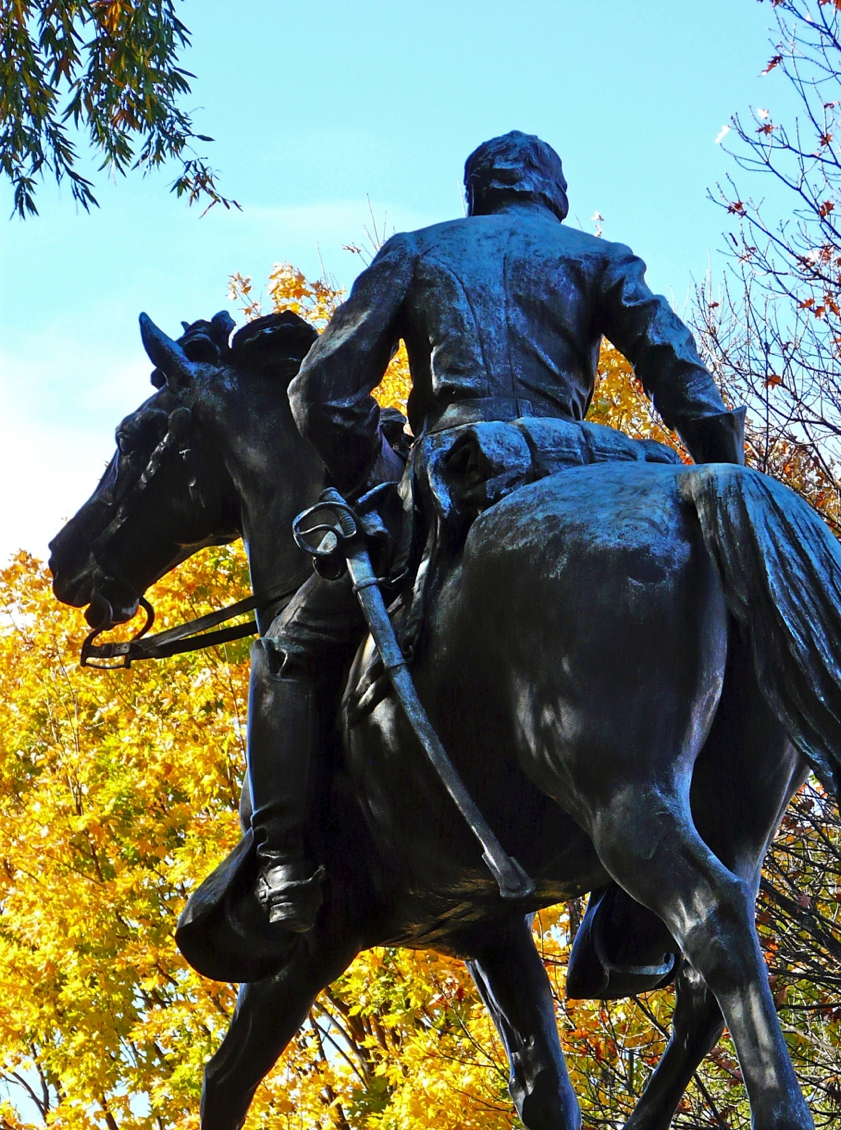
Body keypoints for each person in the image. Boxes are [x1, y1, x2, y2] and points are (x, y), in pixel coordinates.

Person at [252, 130, 743, 933]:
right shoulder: (597, 256)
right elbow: (686, 381)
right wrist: (727, 476)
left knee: (285, 649)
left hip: (461, 470)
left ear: (476, 193)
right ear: (553, 195)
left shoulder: (417, 251)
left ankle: (283, 867)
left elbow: (319, 393)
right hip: (590, 465)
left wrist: (373, 471)